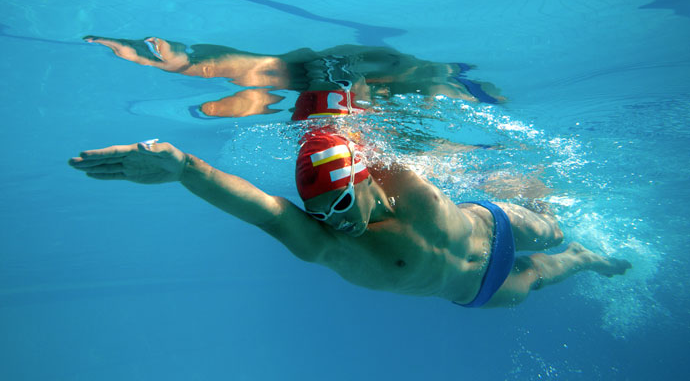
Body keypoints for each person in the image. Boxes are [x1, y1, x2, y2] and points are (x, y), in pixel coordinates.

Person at [68, 133, 631, 308]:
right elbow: (263, 211)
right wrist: (186, 169)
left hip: (493, 225)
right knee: (544, 275)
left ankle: (560, 225)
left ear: (367, 182)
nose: (333, 222)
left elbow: (424, 150)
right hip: (478, 286)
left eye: (338, 206)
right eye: (319, 214)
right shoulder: (338, 248)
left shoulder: (395, 174)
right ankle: (587, 260)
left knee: (552, 228)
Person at [83, 35, 504, 118]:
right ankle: (177, 62)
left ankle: (177, 61)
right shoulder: (425, 90)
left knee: (277, 72)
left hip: (350, 70)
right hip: (366, 71)